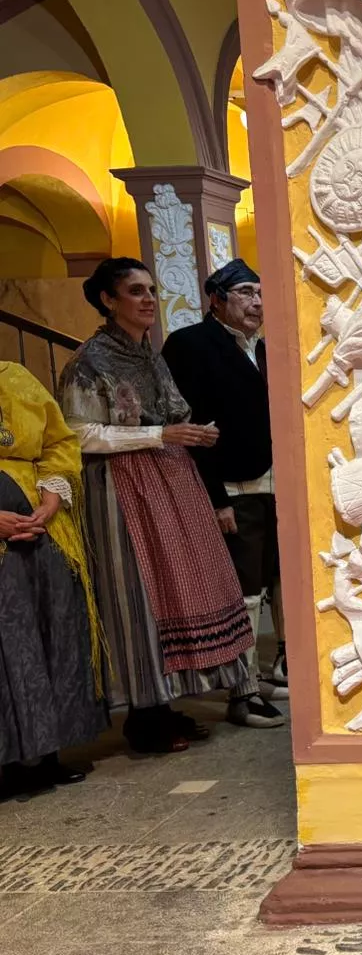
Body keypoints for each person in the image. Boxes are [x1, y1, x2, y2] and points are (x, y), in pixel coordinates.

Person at [58, 258, 258, 754]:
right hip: (121, 487)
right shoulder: (90, 361)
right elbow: (78, 432)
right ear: (108, 300)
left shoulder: (149, 355)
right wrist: (159, 433)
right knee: (137, 593)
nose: (148, 299)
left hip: (169, 479)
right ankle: (143, 715)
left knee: (175, 589)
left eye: (151, 289)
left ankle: (167, 703)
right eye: (134, 291)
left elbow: (173, 409)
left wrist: (190, 430)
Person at [161, 258, 286, 728]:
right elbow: (193, 424)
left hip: (275, 483)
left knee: (277, 582)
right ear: (216, 298)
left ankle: (265, 671)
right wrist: (216, 498)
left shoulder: (264, 348)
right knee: (245, 590)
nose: (257, 303)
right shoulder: (191, 345)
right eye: (246, 293)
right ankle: (243, 691)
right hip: (234, 485)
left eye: (259, 293)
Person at [0, 361, 102, 797]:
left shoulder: (13, 376)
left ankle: (47, 753)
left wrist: (50, 497)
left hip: (43, 529)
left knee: (51, 632)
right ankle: (8, 762)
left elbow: (59, 442)